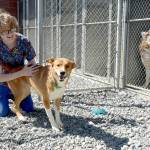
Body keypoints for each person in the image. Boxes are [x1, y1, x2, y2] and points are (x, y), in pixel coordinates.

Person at [0, 10, 39, 117]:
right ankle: (5, 95)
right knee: (3, 113)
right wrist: (22, 72)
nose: (11, 33)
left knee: (29, 109)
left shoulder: (24, 41)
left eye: (12, 29)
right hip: (3, 83)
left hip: (20, 82)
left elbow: (33, 65)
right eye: (6, 31)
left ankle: (15, 97)